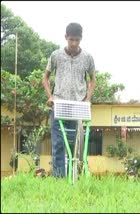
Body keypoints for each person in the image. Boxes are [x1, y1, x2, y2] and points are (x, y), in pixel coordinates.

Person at [42, 23, 96, 178]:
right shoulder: (56, 55)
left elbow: (93, 80)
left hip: (77, 106)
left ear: (81, 39)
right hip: (58, 105)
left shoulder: (87, 58)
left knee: (76, 145)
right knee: (59, 144)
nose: (74, 43)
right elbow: (45, 78)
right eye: (71, 39)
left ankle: (75, 177)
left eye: (77, 40)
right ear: (66, 37)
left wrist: (88, 99)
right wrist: (50, 96)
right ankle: (59, 179)